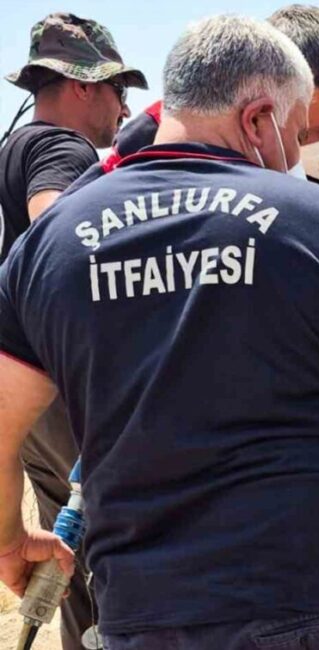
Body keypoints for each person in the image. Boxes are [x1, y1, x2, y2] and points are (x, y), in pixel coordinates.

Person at [0, 14, 319, 650]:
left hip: (148, 613)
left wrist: (10, 539)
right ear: (258, 119)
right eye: (295, 134)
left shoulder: (51, 244)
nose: (299, 159)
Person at [0, 13, 145, 650]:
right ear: (83, 86)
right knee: (121, 536)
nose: (123, 107)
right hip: (61, 384)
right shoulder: (64, 148)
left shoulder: (13, 147)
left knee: (68, 546)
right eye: (118, 90)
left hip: (22, 388)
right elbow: (63, 244)